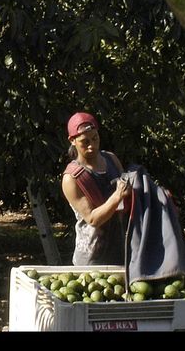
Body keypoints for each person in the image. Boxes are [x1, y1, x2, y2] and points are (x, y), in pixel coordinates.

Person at [60, 111, 131, 266]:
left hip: (119, 250)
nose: (92, 146)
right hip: (91, 257)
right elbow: (92, 219)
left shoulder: (111, 159)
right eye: (85, 142)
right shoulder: (71, 178)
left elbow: (128, 194)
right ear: (73, 141)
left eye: (95, 138)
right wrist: (117, 196)